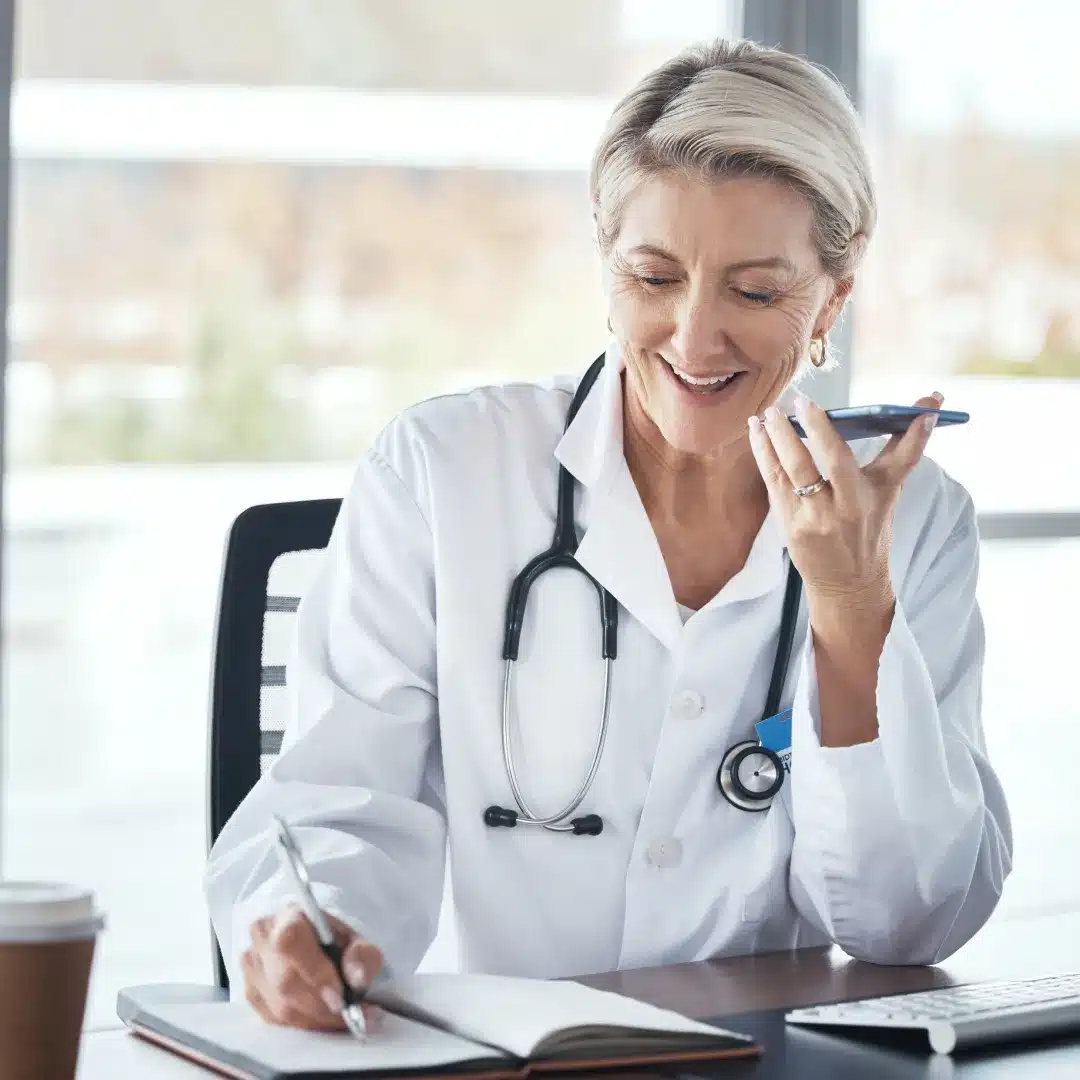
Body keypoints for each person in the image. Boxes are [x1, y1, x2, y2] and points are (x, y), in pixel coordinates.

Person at [206, 37, 1012, 1032]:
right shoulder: (443, 471)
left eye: (756, 292)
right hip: (509, 1056)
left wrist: (851, 611)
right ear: (605, 264)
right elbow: (337, 802)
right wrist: (305, 924)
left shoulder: (917, 522)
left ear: (831, 301)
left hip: (767, 1060)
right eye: (654, 277)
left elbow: (911, 925)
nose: (695, 336)